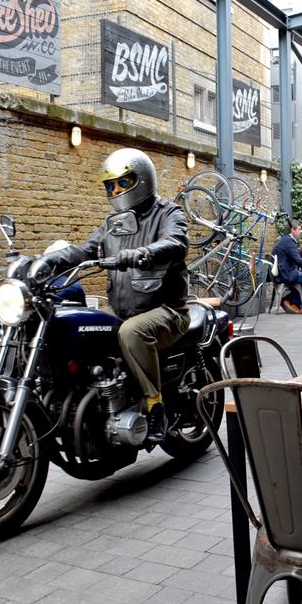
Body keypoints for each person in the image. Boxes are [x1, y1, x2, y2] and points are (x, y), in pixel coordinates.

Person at [30, 148, 190, 441]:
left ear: (141, 179)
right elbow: (85, 251)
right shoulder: (112, 224)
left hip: (168, 311)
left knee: (130, 333)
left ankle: (155, 407)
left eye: (123, 182)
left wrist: (142, 253)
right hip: (125, 312)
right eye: (110, 185)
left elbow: (176, 242)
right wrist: (48, 261)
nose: (116, 190)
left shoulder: (168, 213)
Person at [272, 219, 302, 314]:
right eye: (299, 229)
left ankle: (292, 301)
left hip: (283, 272)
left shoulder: (284, 239)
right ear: (293, 229)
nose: (300, 231)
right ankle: (291, 301)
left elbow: (296, 259)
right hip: (287, 274)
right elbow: (299, 261)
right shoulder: (289, 241)